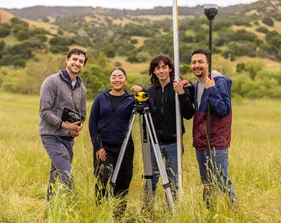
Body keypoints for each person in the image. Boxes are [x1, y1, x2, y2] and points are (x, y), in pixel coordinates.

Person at [88, 67, 153, 218]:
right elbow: (92, 123)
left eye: (120, 76)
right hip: (104, 147)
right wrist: (98, 146)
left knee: (123, 183)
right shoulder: (100, 98)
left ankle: (118, 217)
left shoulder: (132, 99)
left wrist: (142, 90)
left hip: (125, 147)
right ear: (110, 80)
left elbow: (150, 104)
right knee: (103, 179)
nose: (117, 79)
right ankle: (100, 214)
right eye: (114, 77)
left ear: (125, 80)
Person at [39, 48, 88, 201]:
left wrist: (76, 129)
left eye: (81, 61)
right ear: (67, 60)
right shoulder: (51, 81)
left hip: (68, 139)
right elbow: (44, 112)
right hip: (51, 136)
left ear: (83, 66)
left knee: (55, 174)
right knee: (66, 174)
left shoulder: (82, 89)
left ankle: (50, 209)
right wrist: (67, 126)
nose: (77, 63)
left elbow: (82, 116)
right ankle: (72, 206)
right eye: (74, 59)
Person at [145, 53, 194, 203]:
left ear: (170, 69)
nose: (161, 71)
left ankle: (173, 211)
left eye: (164, 67)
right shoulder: (150, 92)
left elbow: (188, 114)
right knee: (151, 179)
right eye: (157, 68)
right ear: (154, 71)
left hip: (174, 142)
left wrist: (181, 93)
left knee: (173, 179)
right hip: (154, 143)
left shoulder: (179, 87)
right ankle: (147, 210)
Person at [190, 49, 236, 206]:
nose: (197, 65)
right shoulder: (198, 84)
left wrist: (212, 89)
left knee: (223, 182)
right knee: (207, 182)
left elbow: (223, 110)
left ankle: (235, 213)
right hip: (201, 142)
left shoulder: (218, 82)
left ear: (208, 64)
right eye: (194, 62)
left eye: (200, 62)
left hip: (216, 141)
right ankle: (209, 213)